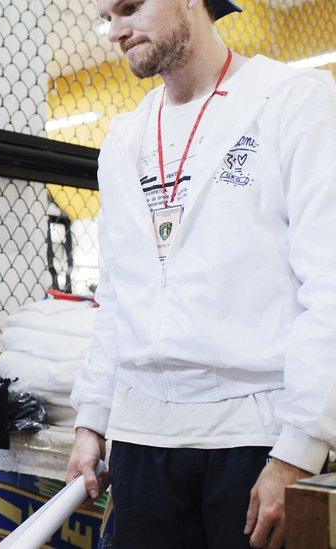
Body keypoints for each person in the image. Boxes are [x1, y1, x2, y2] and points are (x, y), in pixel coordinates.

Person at [66, 1, 336, 548]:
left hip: (254, 436)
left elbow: (328, 284)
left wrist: (300, 447)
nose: (115, 30)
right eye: (107, 16)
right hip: (142, 438)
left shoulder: (292, 103)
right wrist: (92, 417)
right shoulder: (124, 139)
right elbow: (117, 294)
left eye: (130, 7)